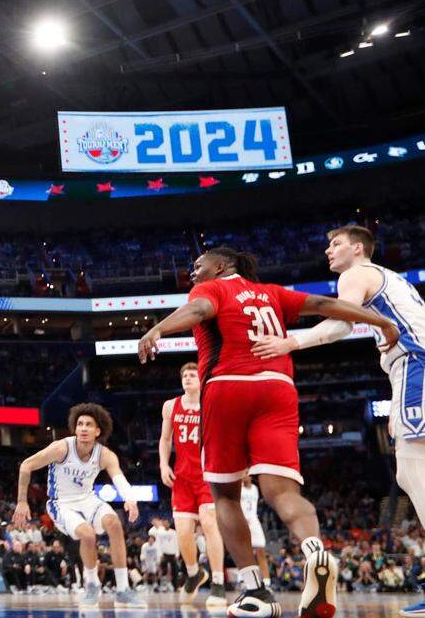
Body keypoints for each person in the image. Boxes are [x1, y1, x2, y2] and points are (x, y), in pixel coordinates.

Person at [138, 246, 400, 618]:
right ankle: (316, 553)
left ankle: (255, 592)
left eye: (199, 266)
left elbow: (198, 311)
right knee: (281, 491)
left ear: (221, 266)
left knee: (224, 495)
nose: (193, 272)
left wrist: (158, 328)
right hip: (278, 388)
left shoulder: (211, 290)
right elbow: (326, 307)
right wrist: (380, 322)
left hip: (228, 386)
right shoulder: (273, 292)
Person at [246, 226, 425, 618]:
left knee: (414, 471)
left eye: (336, 244)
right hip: (408, 367)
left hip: (415, 363)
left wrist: (288, 343)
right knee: (411, 472)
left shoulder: (356, 273)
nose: (328, 250)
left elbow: (340, 324)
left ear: (358, 248)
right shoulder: (389, 278)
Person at [13, 403, 146, 610]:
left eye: (88, 425)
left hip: (87, 499)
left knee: (114, 523)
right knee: (88, 534)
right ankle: (91, 584)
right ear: (75, 428)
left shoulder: (105, 455)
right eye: (80, 424)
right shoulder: (62, 448)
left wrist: (130, 498)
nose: (83, 428)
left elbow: (119, 478)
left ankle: (123, 589)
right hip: (61, 503)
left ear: (98, 431)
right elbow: (26, 465)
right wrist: (22, 500)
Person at [158, 362, 227, 608]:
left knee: (209, 523)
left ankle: (218, 583)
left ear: (201, 379)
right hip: (182, 477)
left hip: (207, 476)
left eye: (192, 375)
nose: (187, 378)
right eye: (184, 375)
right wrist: (163, 465)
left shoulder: (212, 403)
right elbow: (165, 439)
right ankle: (194, 573)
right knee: (183, 532)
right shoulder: (171, 406)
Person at [241, 477, 272, 588]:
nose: (244, 475)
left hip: (254, 521)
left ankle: (267, 582)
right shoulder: (238, 488)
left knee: (261, 552)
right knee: (244, 552)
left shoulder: (255, 489)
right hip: (242, 521)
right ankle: (244, 580)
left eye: (247, 473)